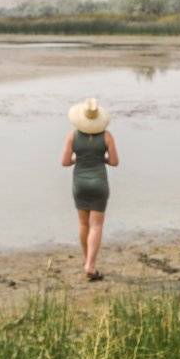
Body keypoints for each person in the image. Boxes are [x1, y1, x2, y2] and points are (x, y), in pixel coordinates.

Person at [61, 97, 119, 281]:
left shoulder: (73, 136)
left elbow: (64, 162)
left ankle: (86, 259)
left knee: (83, 224)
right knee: (96, 226)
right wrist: (101, 159)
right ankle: (91, 266)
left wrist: (78, 159)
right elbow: (115, 162)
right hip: (99, 184)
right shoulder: (107, 136)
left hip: (80, 184)